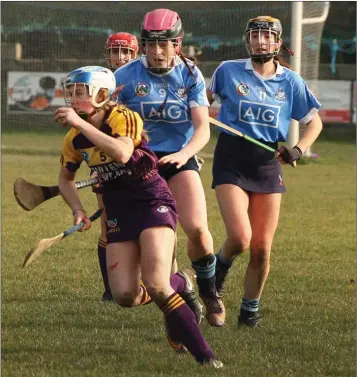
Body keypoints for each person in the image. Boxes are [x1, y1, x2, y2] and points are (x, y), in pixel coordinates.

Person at [55, 66, 222, 367]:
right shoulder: (73, 139)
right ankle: (182, 282)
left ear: (102, 95)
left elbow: (121, 152)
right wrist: (78, 209)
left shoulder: (124, 117)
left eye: (80, 92)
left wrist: (81, 125)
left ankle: (207, 358)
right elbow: (65, 179)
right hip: (118, 211)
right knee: (125, 296)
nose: (72, 98)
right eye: (71, 92)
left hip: (151, 201)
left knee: (157, 284)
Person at [207, 16, 323, 327]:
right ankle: (217, 274)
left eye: (266, 36)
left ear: (277, 43)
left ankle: (250, 311)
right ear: (247, 40)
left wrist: (298, 150)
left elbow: (315, 122)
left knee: (261, 249)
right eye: (255, 35)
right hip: (231, 157)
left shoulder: (291, 81)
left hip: (267, 163)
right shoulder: (228, 71)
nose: (260, 41)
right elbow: (199, 105)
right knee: (240, 237)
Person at [114, 8, 225, 327]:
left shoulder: (190, 74)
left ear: (178, 44)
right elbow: (113, 127)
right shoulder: (125, 77)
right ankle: (180, 288)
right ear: (143, 43)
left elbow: (202, 127)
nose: (158, 51)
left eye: (166, 44)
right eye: (151, 43)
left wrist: (184, 153)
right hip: (138, 164)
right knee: (152, 241)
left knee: (198, 230)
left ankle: (209, 290)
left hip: (179, 159)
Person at [97, 32, 139, 302]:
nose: (120, 57)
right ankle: (110, 288)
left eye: (126, 52)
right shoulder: (98, 81)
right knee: (107, 225)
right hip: (107, 161)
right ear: (107, 54)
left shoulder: (141, 78)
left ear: (135, 55)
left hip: (140, 158)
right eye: (115, 51)